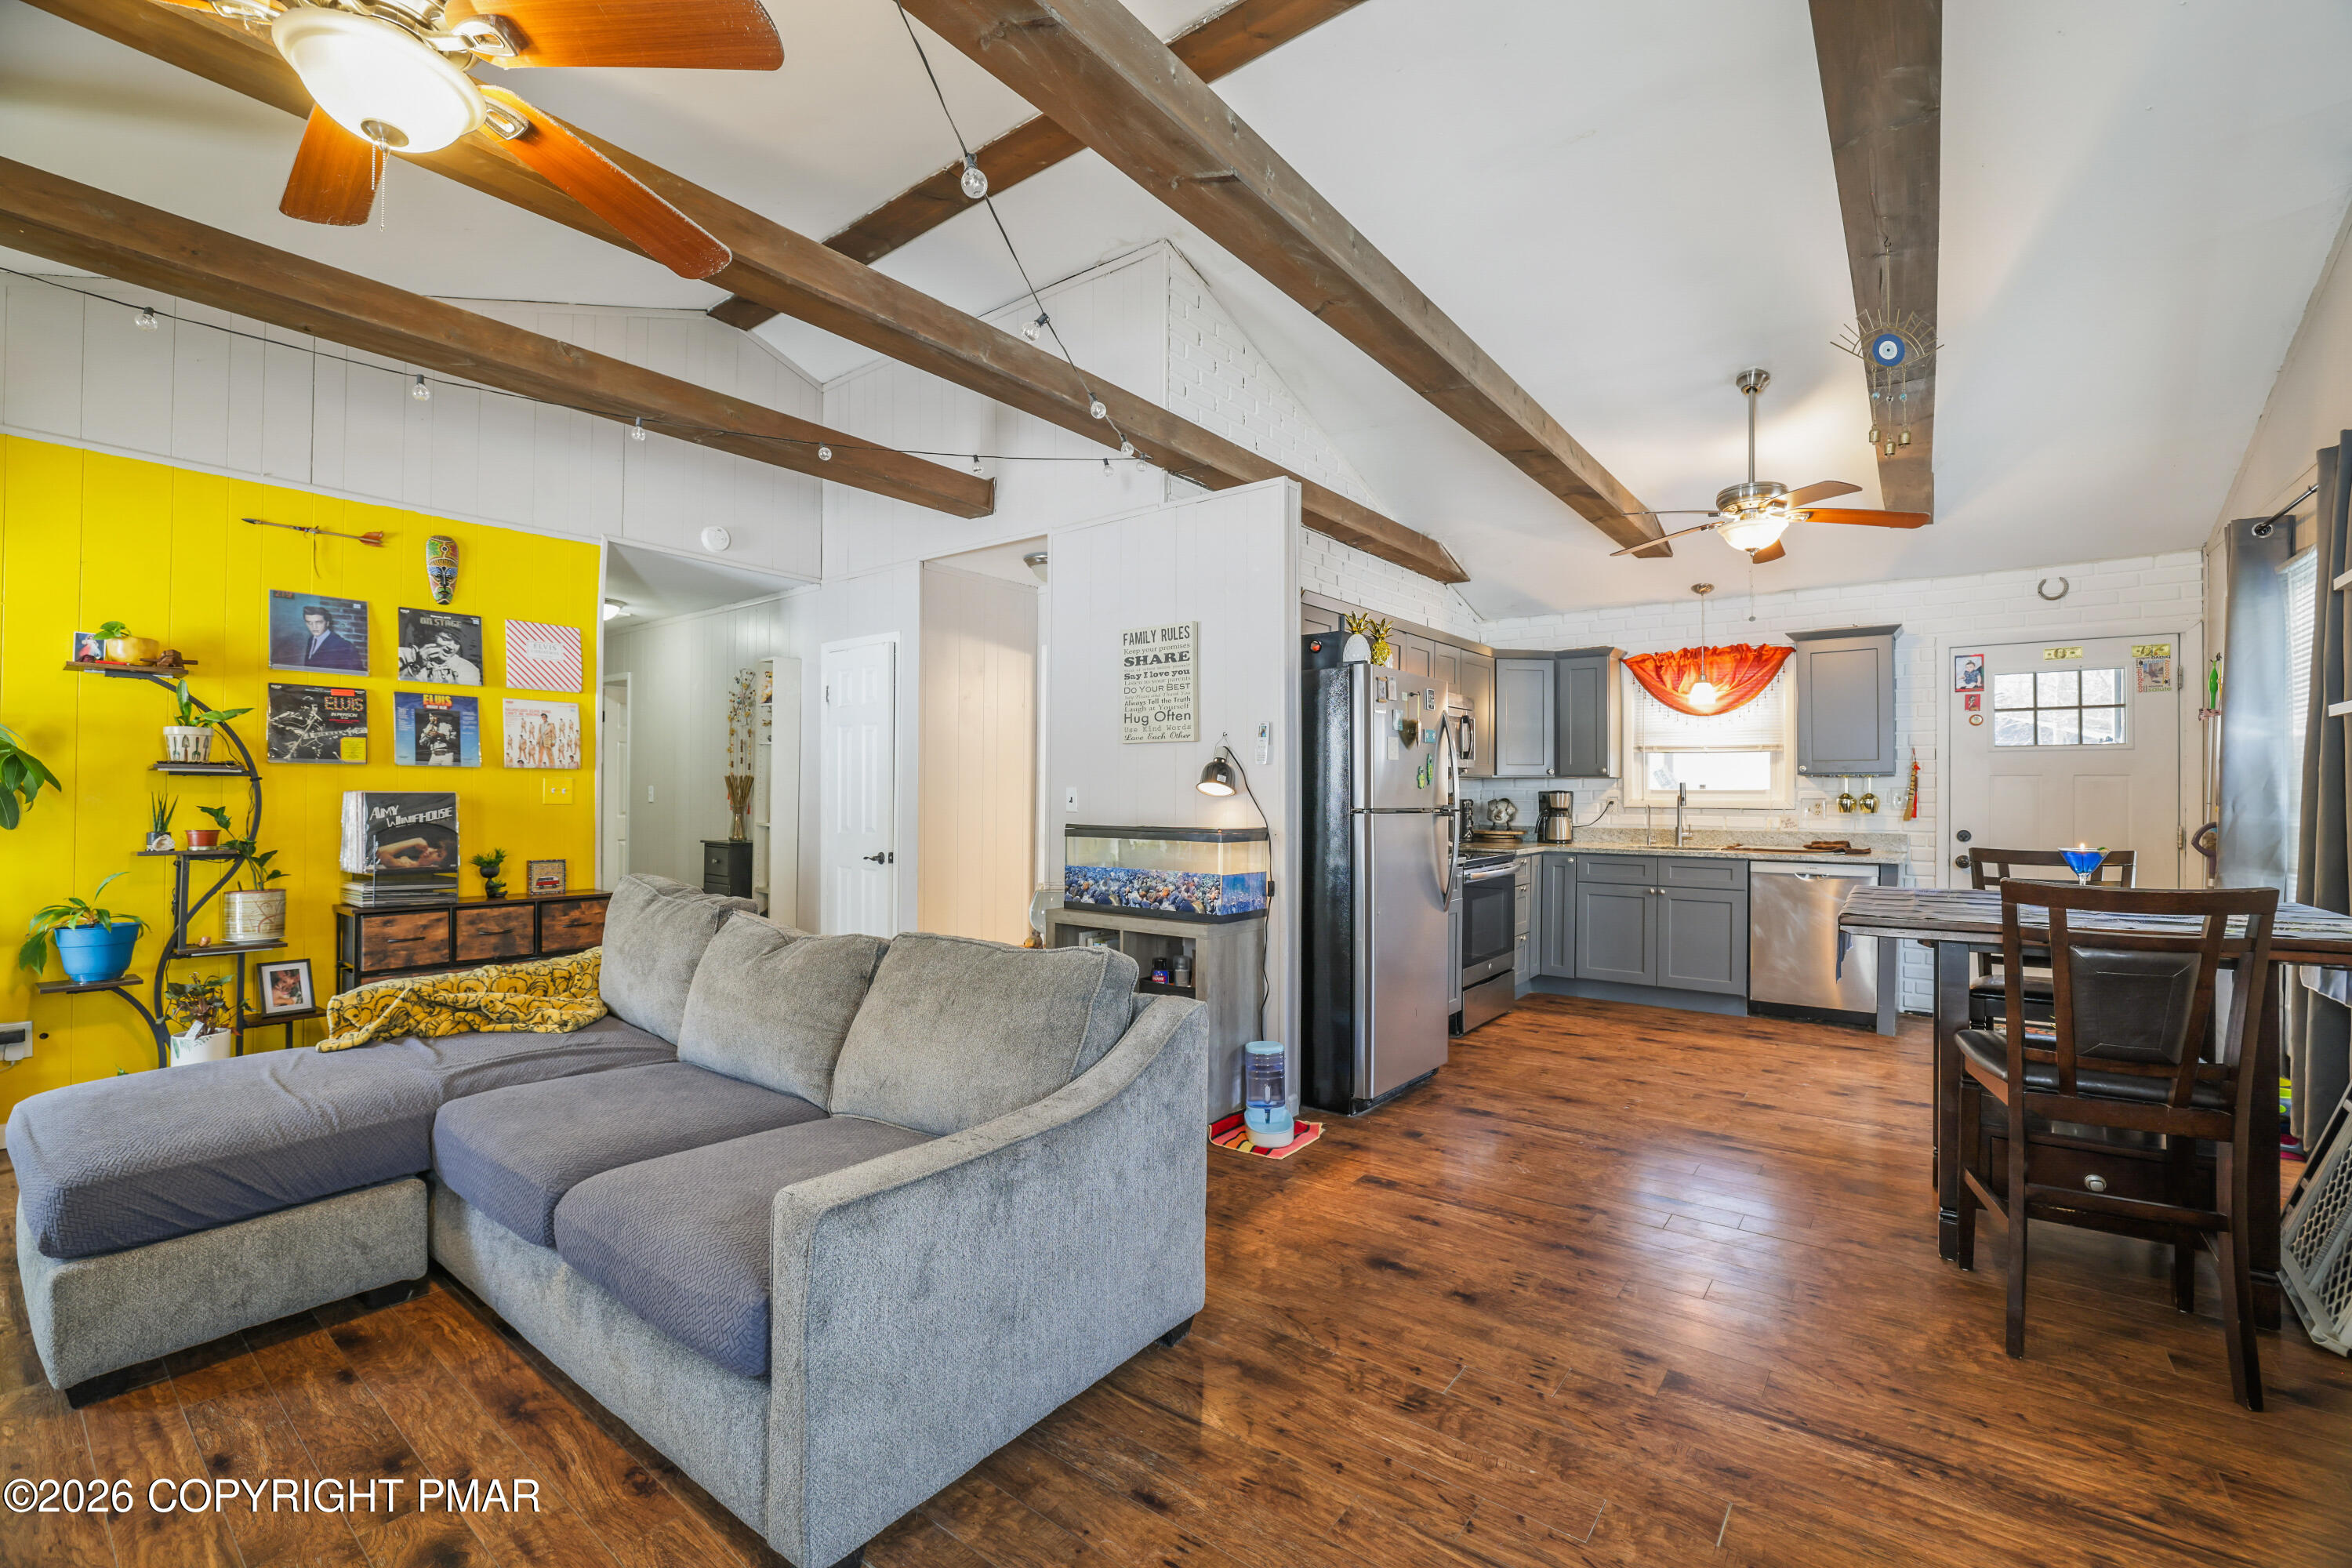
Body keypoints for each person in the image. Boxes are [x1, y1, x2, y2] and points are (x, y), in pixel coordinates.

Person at [275, 605, 363, 671]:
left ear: (327, 623)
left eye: (318, 622)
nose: (314, 627)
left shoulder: (345, 646)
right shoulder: (310, 640)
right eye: (309, 623)